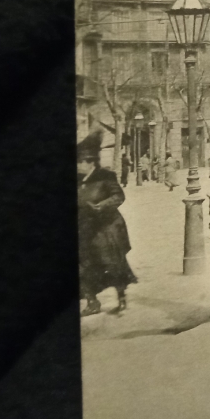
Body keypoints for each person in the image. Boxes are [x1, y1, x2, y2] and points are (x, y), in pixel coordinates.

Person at [78, 132, 136, 316]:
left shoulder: (106, 176)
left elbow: (119, 196)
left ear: (90, 162)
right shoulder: (77, 180)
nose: (77, 166)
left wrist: (101, 206)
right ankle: (92, 302)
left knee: (113, 263)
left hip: (107, 228)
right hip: (84, 228)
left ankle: (122, 298)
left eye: (79, 163)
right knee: (83, 265)